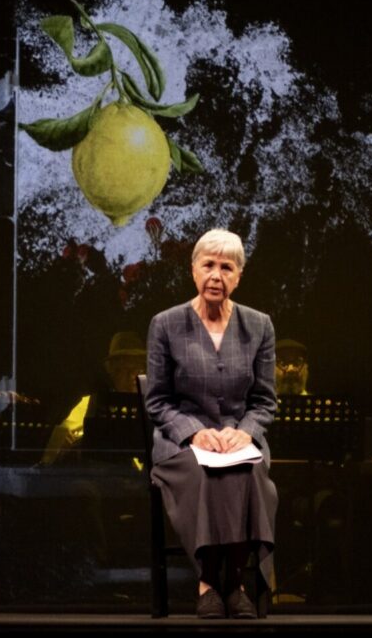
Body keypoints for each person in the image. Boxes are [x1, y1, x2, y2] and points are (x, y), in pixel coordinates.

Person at [145, 228, 277, 619]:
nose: (216, 275)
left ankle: (235, 584)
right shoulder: (165, 325)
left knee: (246, 473)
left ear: (238, 276)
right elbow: (158, 400)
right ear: (193, 271)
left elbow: (265, 401)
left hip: (238, 435)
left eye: (226, 267)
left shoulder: (260, 326)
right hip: (181, 440)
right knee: (203, 475)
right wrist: (194, 433)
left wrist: (245, 432)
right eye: (208, 265)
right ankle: (207, 584)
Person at [40, 331, 147, 463]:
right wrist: (64, 443)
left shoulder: (157, 408)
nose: (132, 376)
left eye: (139, 370)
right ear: (112, 371)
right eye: (125, 369)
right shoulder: (90, 404)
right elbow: (51, 455)